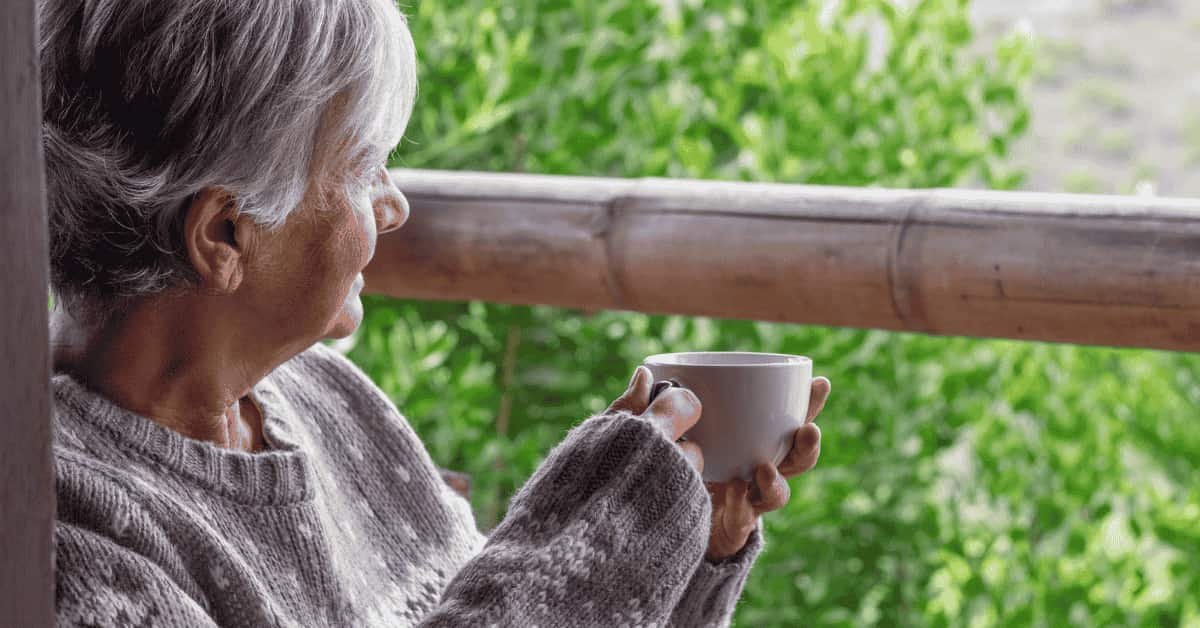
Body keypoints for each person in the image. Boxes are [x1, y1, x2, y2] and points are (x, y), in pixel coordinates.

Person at [41, 0, 831, 625]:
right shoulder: (68, 531)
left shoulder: (332, 403)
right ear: (224, 233)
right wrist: (591, 540)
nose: (394, 206)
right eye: (364, 169)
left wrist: (683, 552)